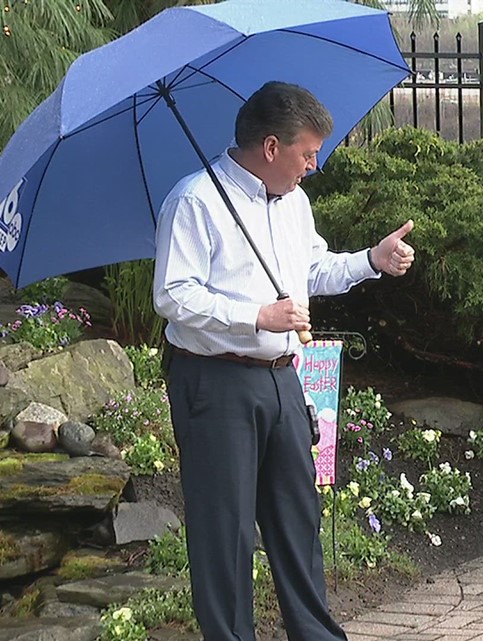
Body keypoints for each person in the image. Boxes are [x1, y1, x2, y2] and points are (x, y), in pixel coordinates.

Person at [152, 81, 416, 641]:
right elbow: (173, 295)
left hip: (282, 380)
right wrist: (256, 316)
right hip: (214, 382)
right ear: (272, 147)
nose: (314, 166)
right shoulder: (195, 201)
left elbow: (311, 270)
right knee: (225, 529)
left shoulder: (294, 202)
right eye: (308, 153)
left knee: (298, 517)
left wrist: (371, 260)